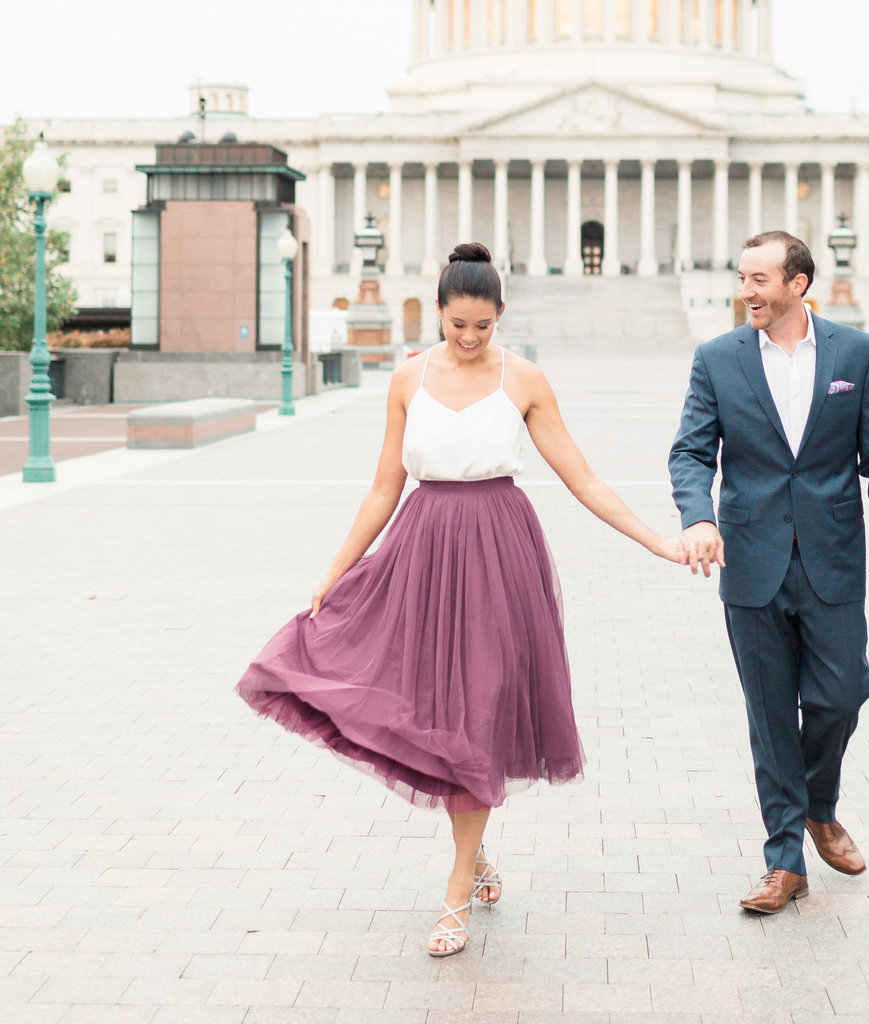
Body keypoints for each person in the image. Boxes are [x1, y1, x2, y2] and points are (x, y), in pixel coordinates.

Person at [237, 243, 686, 956]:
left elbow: (583, 478)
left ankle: (454, 894)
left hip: (501, 553)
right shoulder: (409, 377)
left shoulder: (526, 379)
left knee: (478, 713)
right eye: (458, 326)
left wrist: (658, 541)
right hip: (423, 551)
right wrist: (335, 569)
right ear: (439, 313)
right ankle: (473, 855)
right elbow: (385, 487)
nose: (471, 338)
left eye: (483, 326)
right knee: (434, 713)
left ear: (500, 316)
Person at [668, 230, 869, 915]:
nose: (745, 290)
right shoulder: (716, 359)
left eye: (758, 279)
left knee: (842, 694)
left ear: (796, 284)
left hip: (834, 558)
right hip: (750, 560)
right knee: (771, 714)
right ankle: (784, 860)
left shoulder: (854, 354)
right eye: (742, 277)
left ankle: (818, 806)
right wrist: (698, 518)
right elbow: (690, 453)